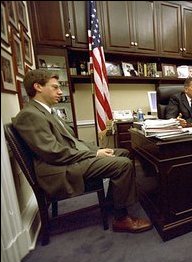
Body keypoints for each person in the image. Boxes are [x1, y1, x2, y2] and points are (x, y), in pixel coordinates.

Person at [12, 69, 153, 234]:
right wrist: (94, 154)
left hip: (67, 159)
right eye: (55, 87)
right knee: (123, 165)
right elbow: (53, 153)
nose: (60, 92)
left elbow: (73, 142)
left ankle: (112, 204)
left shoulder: (46, 111)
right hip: (58, 169)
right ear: (38, 87)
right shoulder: (30, 114)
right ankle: (121, 219)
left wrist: (99, 149)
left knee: (122, 152)